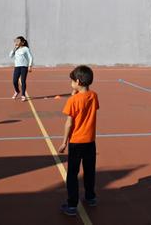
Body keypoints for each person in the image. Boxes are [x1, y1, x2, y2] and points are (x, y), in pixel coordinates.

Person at [58, 65, 99, 216]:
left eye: (72, 81)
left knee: (72, 174)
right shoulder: (94, 96)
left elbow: (69, 123)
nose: (71, 84)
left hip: (76, 142)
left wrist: (64, 142)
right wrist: (75, 93)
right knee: (89, 171)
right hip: (90, 141)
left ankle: (72, 205)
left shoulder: (72, 101)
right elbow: (86, 104)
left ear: (77, 81)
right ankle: (90, 197)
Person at [9, 36, 33, 102]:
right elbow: (10, 56)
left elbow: (30, 57)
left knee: (23, 81)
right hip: (17, 67)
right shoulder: (16, 49)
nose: (16, 42)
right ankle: (17, 91)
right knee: (14, 81)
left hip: (24, 67)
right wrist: (14, 49)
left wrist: (30, 66)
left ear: (22, 42)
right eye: (16, 41)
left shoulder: (26, 49)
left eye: (18, 41)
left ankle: (23, 95)